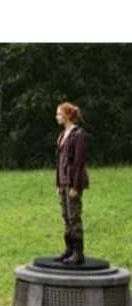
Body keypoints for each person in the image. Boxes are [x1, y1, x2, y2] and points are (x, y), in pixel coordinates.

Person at [55, 102, 88, 265]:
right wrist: (58, 184)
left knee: (74, 217)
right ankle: (68, 250)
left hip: (73, 183)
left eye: (59, 114)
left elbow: (79, 163)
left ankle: (78, 253)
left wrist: (76, 186)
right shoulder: (62, 135)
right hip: (63, 182)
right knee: (66, 217)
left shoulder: (78, 134)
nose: (57, 117)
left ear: (67, 116)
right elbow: (59, 161)